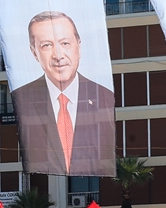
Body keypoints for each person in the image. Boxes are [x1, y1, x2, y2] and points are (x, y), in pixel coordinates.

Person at [10, 11, 115, 175]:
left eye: (65, 43)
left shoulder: (104, 96)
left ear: (78, 46)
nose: (58, 55)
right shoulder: (21, 99)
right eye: (46, 45)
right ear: (34, 52)